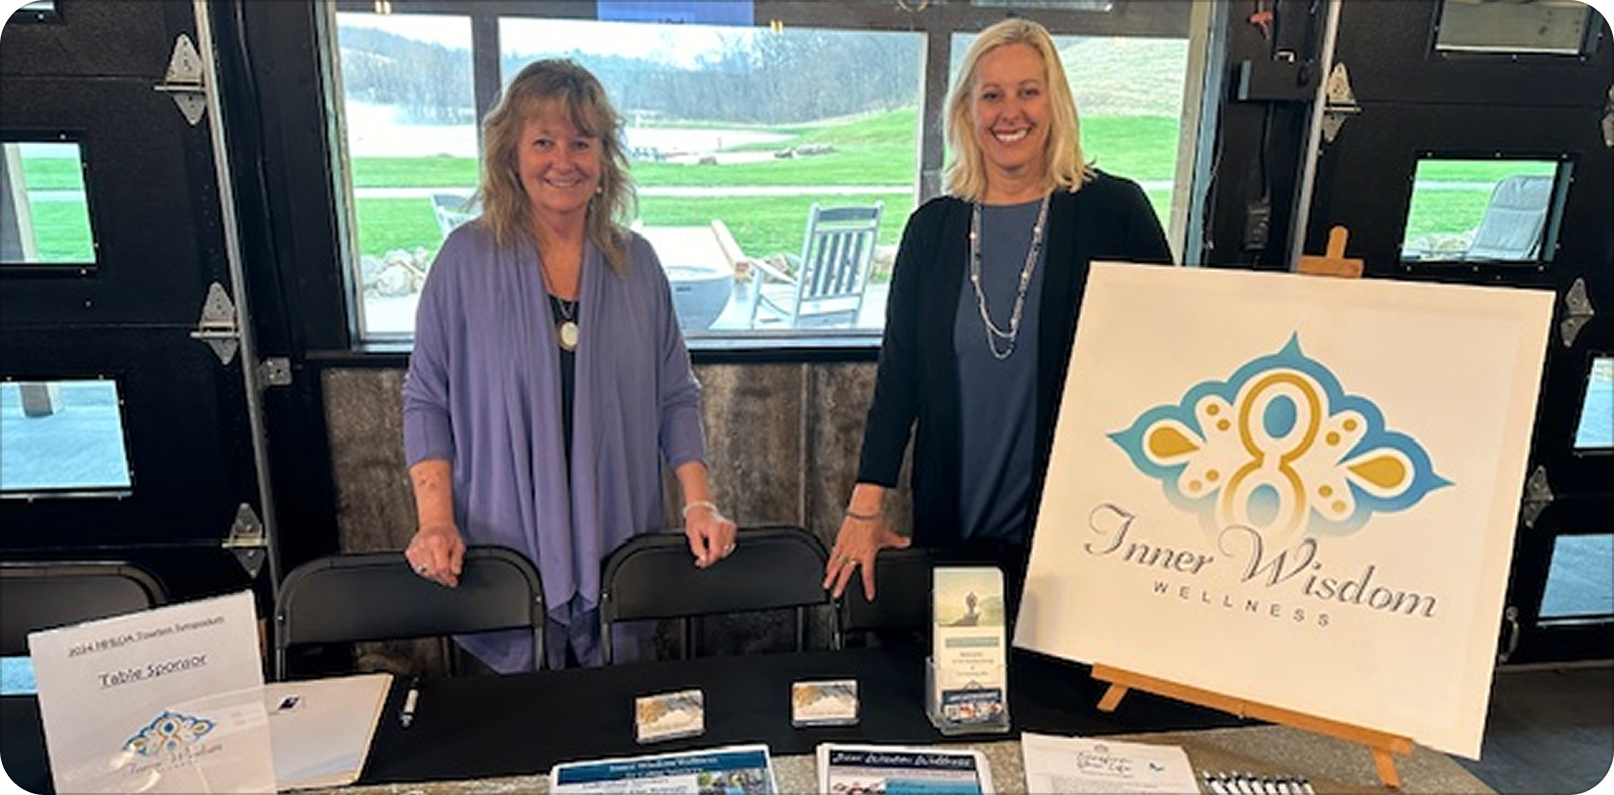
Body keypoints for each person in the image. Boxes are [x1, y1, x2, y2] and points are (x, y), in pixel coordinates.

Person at [823, 18, 1173, 613]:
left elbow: (1170, 353)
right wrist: (865, 508)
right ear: (967, 111)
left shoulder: (1115, 211)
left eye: (1028, 91)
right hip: (952, 528)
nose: (1011, 112)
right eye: (992, 94)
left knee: (1056, 701)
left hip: (1083, 535)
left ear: (1055, 101)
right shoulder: (932, 230)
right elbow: (899, 379)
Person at [402, 59, 737, 672]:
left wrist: (698, 504)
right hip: (501, 554)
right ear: (511, 156)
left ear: (605, 159)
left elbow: (676, 395)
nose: (564, 160)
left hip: (619, 543)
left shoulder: (637, 265)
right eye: (543, 142)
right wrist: (435, 522)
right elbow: (427, 397)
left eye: (582, 143)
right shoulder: (464, 260)